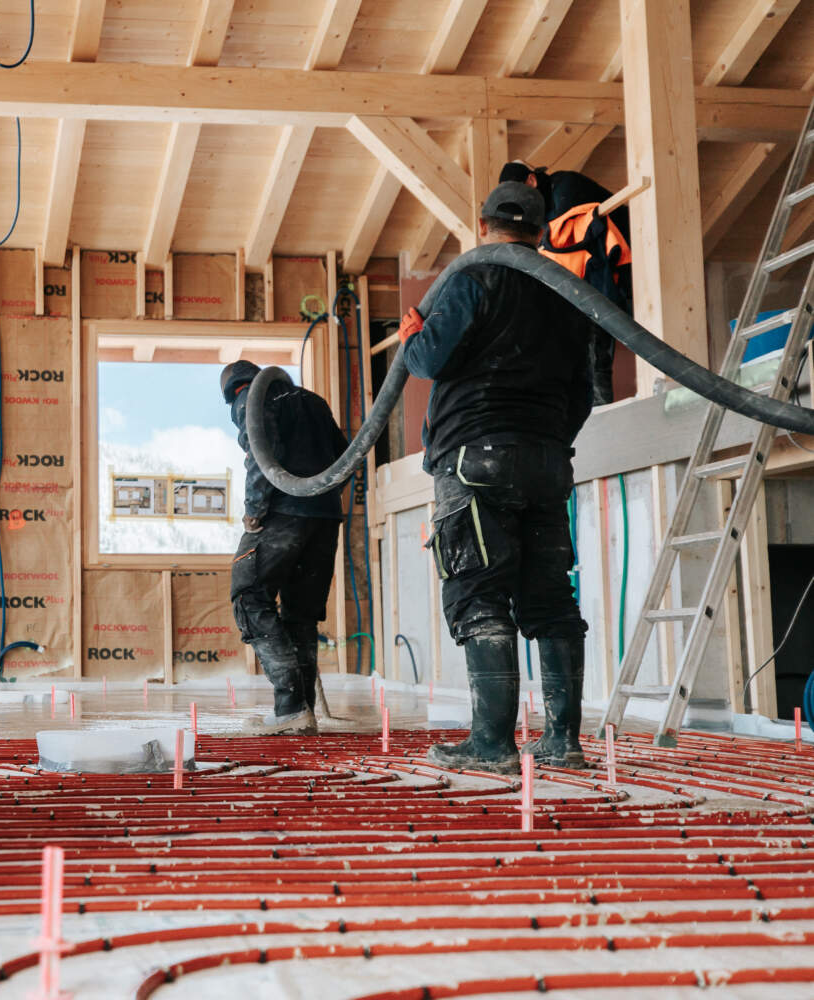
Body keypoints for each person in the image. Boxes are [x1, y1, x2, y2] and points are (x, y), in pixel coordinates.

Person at [396, 181, 595, 773]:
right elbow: (583, 395)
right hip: (547, 460)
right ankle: (563, 741)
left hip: (474, 457)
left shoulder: (472, 276)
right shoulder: (567, 293)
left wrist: (412, 338)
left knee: (478, 593)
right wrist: (547, 441)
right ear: (540, 232)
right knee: (551, 600)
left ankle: (492, 745)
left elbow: (429, 361)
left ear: (483, 227)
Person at [220, 360, 348, 735]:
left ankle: (290, 704)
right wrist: (319, 503)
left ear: (234, 390)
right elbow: (346, 456)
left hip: (281, 512)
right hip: (324, 517)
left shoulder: (250, 400)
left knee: (248, 595)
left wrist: (254, 515)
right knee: (301, 615)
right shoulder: (312, 401)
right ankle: (301, 712)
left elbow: (262, 456)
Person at [500, 160, 632, 404]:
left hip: (628, 269)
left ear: (532, 181)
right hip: (596, 285)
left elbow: (558, 238)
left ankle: (599, 415)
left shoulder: (565, 185)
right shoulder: (542, 210)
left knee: (594, 346)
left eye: (519, 193)